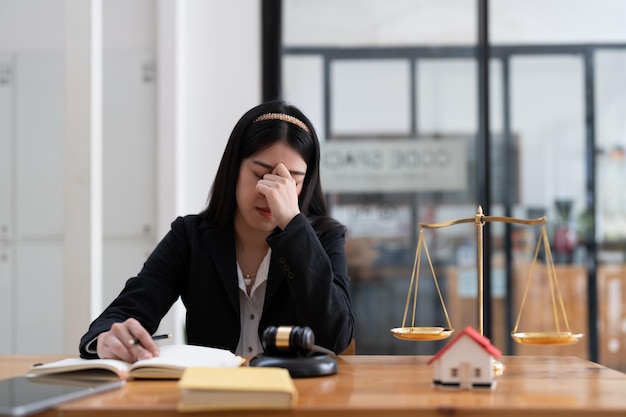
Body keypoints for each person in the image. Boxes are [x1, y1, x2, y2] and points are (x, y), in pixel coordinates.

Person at [79, 100, 355, 362]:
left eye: (291, 182)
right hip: (209, 399)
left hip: (298, 398)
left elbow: (336, 337)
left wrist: (294, 225)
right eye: (261, 175)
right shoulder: (190, 237)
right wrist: (107, 338)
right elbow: (125, 311)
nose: (271, 193)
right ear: (233, 170)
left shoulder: (323, 238)